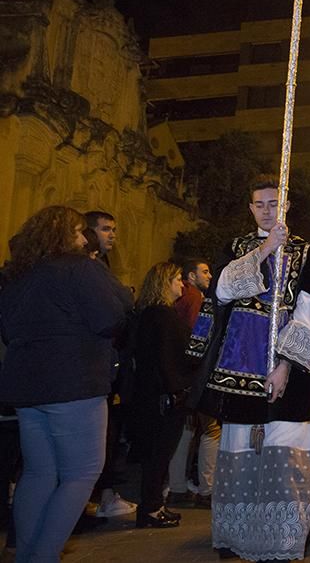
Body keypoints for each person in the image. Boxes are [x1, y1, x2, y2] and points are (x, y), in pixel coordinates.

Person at [188, 175, 310, 561]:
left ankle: (281, 541)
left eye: (274, 203)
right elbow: (221, 290)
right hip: (239, 366)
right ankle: (237, 537)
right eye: (260, 204)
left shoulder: (306, 253)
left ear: (285, 206)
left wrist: (286, 365)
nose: (268, 210)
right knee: (239, 452)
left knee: (286, 453)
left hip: (290, 368)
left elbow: (309, 314)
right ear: (251, 208)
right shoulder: (236, 247)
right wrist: (264, 250)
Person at [0, 206, 129, 561]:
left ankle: (26, 554)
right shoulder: (80, 268)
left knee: (39, 472)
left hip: (28, 388)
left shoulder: (18, 275)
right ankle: (43, 556)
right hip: (75, 382)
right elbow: (112, 317)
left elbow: (8, 330)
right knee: (81, 474)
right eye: (77, 231)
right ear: (64, 234)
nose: (82, 237)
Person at [132, 262, 194, 529]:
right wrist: (177, 390)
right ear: (164, 283)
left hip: (149, 394)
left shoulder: (148, 314)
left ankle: (153, 504)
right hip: (164, 397)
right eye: (178, 279)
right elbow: (168, 358)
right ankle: (152, 508)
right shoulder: (164, 317)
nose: (182, 284)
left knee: (155, 456)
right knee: (159, 454)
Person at [83, 209, 136, 520]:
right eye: (105, 229)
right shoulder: (88, 268)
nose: (112, 235)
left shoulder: (101, 265)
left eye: (114, 229)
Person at [166, 258, 219, 510]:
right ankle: (207, 489)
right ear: (191, 276)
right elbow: (200, 336)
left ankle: (177, 487)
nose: (209, 276)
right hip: (197, 373)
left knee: (186, 429)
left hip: (181, 374)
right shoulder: (196, 298)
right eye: (204, 272)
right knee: (211, 429)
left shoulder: (179, 299)